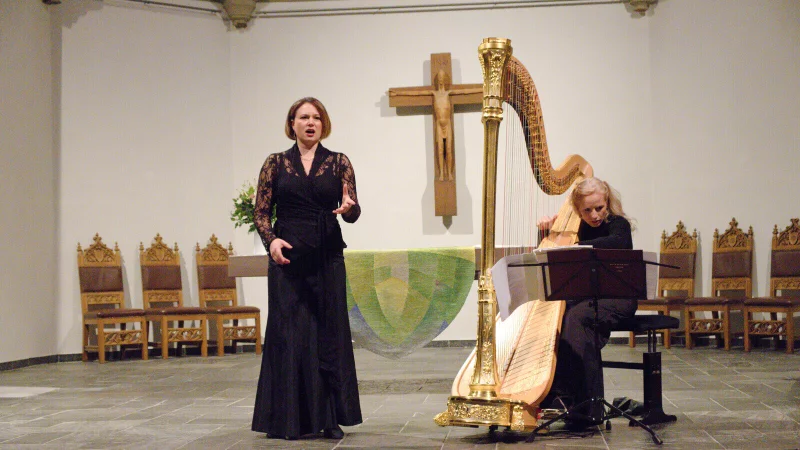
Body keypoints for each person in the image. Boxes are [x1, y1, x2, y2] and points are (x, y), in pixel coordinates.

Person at [251, 97, 363, 440]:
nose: (310, 122)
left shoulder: (339, 162)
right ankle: (288, 417)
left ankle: (329, 417)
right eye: (304, 117)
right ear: (293, 123)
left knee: (329, 334)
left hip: (327, 256)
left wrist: (349, 208)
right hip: (288, 258)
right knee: (289, 333)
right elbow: (261, 211)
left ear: (322, 124)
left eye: (316, 117)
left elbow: (354, 210)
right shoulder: (275, 163)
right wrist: (271, 240)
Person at [537, 177, 636, 429]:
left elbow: (617, 243)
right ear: (576, 209)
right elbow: (545, 253)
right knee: (561, 320)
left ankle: (585, 406)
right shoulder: (571, 229)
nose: (595, 215)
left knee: (577, 319)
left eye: (599, 208)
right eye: (587, 210)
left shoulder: (618, 225)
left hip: (618, 297)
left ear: (607, 202)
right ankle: (562, 397)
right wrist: (544, 232)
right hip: (585, 299)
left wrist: (577, 247)